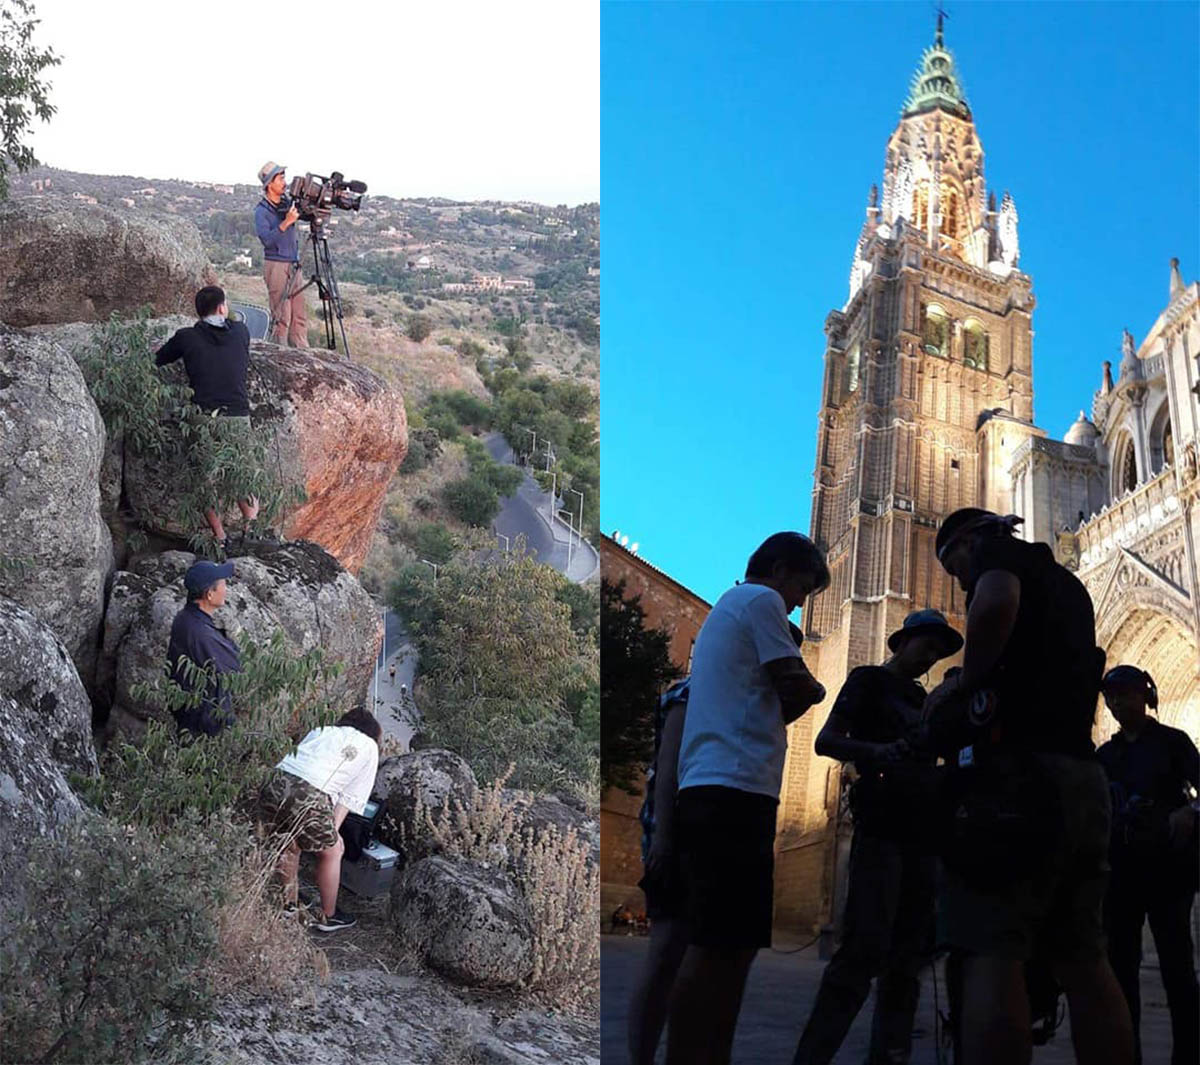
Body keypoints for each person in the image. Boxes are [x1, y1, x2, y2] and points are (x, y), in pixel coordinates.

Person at [924, 507, 1133, 1065]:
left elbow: (994, 602)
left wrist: (967, 687)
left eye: (955, 563)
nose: (960, 579)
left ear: (973, 538)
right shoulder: (1067, 584)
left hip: (1018, 781)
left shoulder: (1000, 553)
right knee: (1085, 960)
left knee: (994, 951)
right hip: (1081, 779)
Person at [666, 532, 829, 1065]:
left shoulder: (726, 607)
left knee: (724, 944)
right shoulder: (760, 600)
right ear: (779, 569)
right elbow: (803, 687)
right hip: (735, 789)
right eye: (802, 588)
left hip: (712, 787)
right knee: (720, 949)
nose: (800, 603)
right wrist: (809, 687)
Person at [792, 609, 962, 1065]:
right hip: (883, 827)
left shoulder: (923, 698)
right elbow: (826, 741)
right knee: (863, 949)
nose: (930, 658)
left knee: (909, 960)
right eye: (927, 647)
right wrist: (878, 752)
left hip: (924, 834)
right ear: (903, 642)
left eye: (938, 653)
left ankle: (889, 1056)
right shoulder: (868, 681)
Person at [1097, 665, 1199, 1065]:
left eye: (1125, 694)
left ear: (1147, 696)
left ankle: (1188, 1056)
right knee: (1120, 973)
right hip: (1121, 875)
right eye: (1111, 697)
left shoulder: (1174, 743)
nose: (1118, 703)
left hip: (1168, 873)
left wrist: (1190, 811)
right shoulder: (1105, 755)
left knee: (1178, 970)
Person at [258, 705, 382, 932]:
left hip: (274, 781)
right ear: (373, 733)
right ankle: (328, 915)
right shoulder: (369, 746)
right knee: (333, 851)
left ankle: (289, 905)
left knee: (288, 843)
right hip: (310, 792)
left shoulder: (321, 730)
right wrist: (333, 832)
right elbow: (350, 798)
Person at [155, 285, 260, 549]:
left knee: (204, 480)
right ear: (223, 307)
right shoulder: (241, 333)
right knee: (242, 475)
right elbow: (233, 325)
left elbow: (158, 359)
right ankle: (252, 530)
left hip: (201, 416)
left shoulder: (186, 337)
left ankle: (220, 537)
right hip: (237, 414)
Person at [628, 677, 693, 1065]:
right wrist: (664, 839)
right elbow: (667, 767)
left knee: (684, 958)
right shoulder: (689, 692)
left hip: (695, 836)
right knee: (667, 952)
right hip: (674, 835)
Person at [166, 560, 242, 737]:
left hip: (191, 718)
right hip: (204, 727)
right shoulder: (201, 633)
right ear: (209, 594)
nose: (226, 589)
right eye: (223, 584)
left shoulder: (186, 618)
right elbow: (236, 669)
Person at [254, 161, 307, 347]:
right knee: (281, 317)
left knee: (299, 315)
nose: (285, 182)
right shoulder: (261, 211)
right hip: (276, 264)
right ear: (270, 184)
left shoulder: (287, 203)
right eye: (281, 178)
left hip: (293, 263)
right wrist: (286, 222)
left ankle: (303, 352)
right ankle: (280, 355)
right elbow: (267, 240)